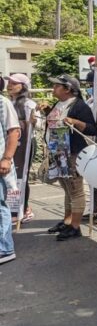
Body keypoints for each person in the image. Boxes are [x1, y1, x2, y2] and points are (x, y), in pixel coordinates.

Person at [45, 74, 97, 241]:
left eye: (57, 86)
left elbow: (92, 129)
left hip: (72, 153)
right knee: (67, 188)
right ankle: (67, 221)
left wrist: (75, 122)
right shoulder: (59, 104)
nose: (53, 88)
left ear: (68, 89)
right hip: (58, 151)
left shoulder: (80, 106)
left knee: (75, 190)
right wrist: (46, 111)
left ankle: (75, 227)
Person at [6, 74, 36, 223]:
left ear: (23, 86)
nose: (10, 85)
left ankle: (23, 210)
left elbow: (35, 125)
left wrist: (32, 122)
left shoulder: (28, 104)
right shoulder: (7, 102)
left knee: (20, 177)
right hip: (8, 143)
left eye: (14, 83)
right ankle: (13, 208)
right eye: (9, 82)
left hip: (24, 143)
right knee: (9, 177)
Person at [0, 89, 20, 265]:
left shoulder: (3, 102)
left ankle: (5, 248)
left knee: (0, 206)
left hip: (0, 163)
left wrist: (6, 158)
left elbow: (14, 132)